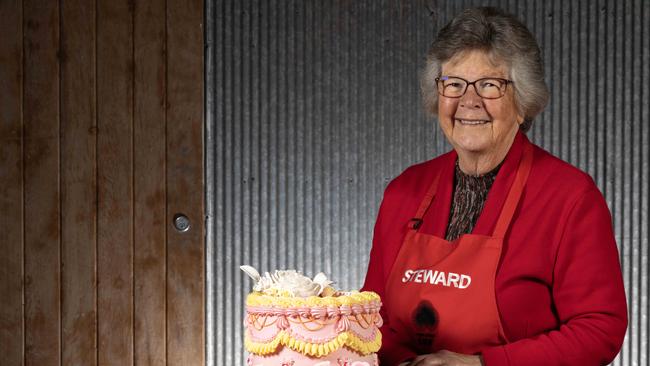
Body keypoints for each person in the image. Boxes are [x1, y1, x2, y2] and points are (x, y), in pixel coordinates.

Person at [361, 6, 627, 366]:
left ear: (523, 103)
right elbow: (369, 319)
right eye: (453, 83)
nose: (469, 101)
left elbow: (599, 330)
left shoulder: (570, 197)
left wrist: (482, 364)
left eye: (490, 84)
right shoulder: (404, 191)